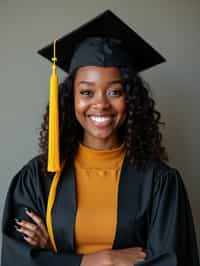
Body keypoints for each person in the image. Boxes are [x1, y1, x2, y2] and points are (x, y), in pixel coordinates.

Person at [1, 9, 199, 266]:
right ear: (70, 98)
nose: (100, 104)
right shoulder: (38, 178)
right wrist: (99, 260)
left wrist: (55, 256)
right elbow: (17, 259)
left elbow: (171, 261)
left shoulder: (160, 182)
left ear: (131, 98)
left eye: (115, 91)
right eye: (86, 92)